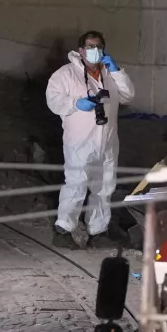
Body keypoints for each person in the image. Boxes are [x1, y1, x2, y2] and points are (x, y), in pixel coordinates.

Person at [45, 31, 134, 249]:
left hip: (107, 141)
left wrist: (116, 70)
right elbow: (53, 101)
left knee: (103, 188)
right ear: (81, 50)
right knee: (76, 185)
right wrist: (77, 104)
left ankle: (98, 231)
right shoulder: (65, 74)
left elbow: (128, 95)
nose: (95, 51)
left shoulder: (109, 73)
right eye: (90, 46)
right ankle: (64, 230)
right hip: (79, 141)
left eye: (99, 46)